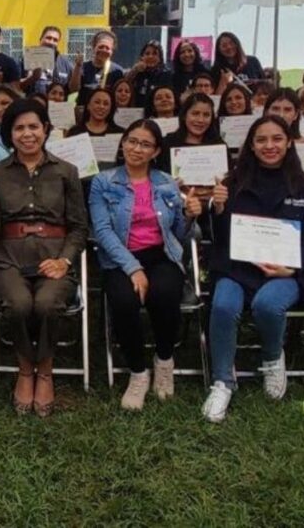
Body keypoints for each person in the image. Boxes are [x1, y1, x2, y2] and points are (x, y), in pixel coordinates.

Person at [202, 115, 304, 423]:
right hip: (237, 267)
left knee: (268, 305)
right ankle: (222, 382)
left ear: (288, 142)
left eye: (277, 139)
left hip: (286, 270)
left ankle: (272, 358)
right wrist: (216, 208)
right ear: (251, 146)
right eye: (261, 140)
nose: (269, 145)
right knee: (223, 306)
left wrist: (291, 268)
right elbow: (218, 235)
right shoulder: (232, 182)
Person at [0, 98, 88, 416]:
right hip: (9, 258)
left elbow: (79, 228)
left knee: (48, 304)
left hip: (54, 257)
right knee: (20, 304)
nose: (27, 134)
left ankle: (46, 370)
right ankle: (27, 370)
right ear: (9, 134)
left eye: (34, 126)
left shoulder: (67, 172)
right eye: (19, 128)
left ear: (46, 129)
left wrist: (65, 261)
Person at [89, 119, 201, 410]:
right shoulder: (104, 181)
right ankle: (138, 372)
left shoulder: (165, 181)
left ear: (156, 151)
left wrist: (190, 216)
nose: (137, 149)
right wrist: (133, 268)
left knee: (165, 294)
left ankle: (164, 359)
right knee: (124, 301)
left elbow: (177, 234)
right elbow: (102, 231)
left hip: (161, 255)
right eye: (132, 141)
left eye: (145, 144)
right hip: (119, 257)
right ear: (123, 143)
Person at [155, 93, 224, 174]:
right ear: (184, 115)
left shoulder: (219, 145)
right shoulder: (167, 143)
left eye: (206, 115)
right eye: (195, 113)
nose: (200, 120)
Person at [122, 40, 172, 109]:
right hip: (137, 111)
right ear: (142, 57)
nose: (150, 56)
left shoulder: (167, 74)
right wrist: (134, 71)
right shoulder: (137, 72)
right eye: (147, 54)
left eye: (154, 54)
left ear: (160, 58)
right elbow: (123, 86)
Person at [79, 30, 123, 96]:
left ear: (112, 51)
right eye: (101, 47)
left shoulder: (118, 71)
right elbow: (73, 88)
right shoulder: (83, 68)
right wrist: (77, 67)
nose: (103, 50)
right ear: (94, 47)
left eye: (107, 48)